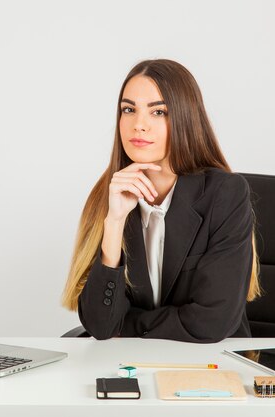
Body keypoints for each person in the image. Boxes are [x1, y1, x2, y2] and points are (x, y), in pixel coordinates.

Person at [61, 59, 260, 343]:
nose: (138, 125)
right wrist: (114, 222)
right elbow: (101, 326)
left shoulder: (224, 193)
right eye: (129, 110)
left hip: (209, 367)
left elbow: (211, 323)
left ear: (185, 118)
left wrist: (126, 326)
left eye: (158, 112)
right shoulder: (110, 193)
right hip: (131, 365)